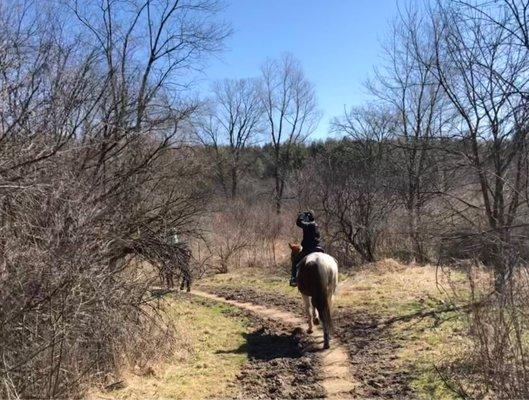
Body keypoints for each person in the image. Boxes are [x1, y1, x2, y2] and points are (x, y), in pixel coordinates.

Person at [290, 210, 325, 286]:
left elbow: (299, 223)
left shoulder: (308, 225)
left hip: (309, 250)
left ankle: (294, 279)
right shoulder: (316, 225)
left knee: (295, 260)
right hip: (319, 248)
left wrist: (300, 216)